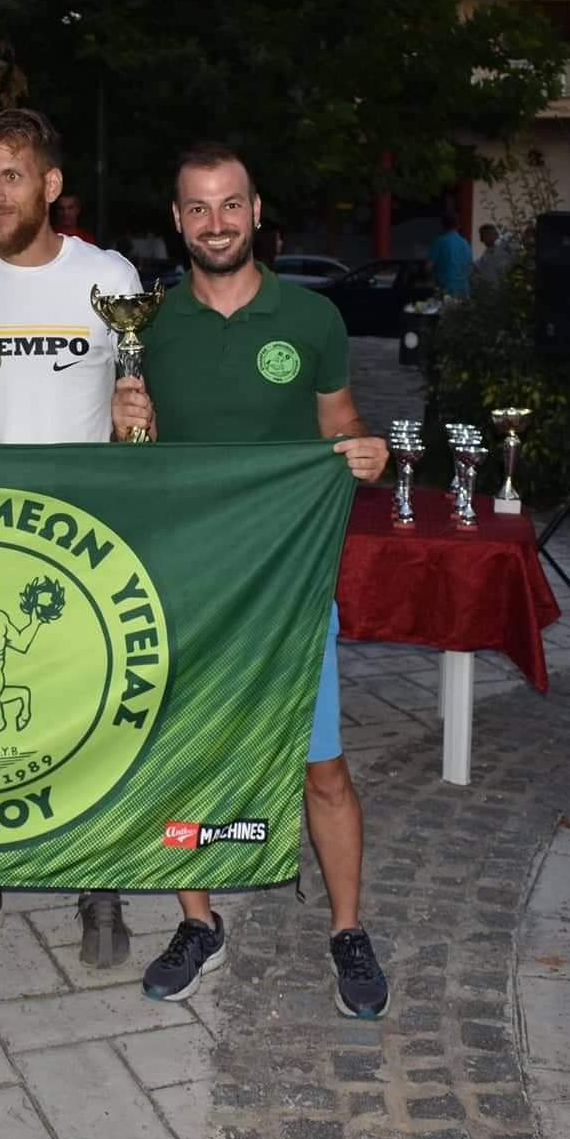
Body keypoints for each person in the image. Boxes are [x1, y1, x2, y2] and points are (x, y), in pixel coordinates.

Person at [111, 142, 393, 1019]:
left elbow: (341, 425)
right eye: (198, 207)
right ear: (177, 220)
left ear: (257, 211)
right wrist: (125, 423)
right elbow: (133, 462)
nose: (216, 222)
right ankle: (198, 921)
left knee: (323, 767)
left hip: (288, 585)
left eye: (230, 204)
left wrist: (367, 452)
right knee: (183, 755)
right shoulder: (149, 324)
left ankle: (348, 929)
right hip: (185, 584)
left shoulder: (311, 318)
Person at [0, 107, 142, 966]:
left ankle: (99, 879)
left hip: (82, 542)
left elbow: (136, 397)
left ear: (50, 184)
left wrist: (135, 418)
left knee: (89, 711)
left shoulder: (108, 274)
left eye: (11, 176)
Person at [427, 211, 472, 298]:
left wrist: (431, 279)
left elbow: (428, 266)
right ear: (458, 226)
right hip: (464, 289)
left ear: (442, 226)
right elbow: (470, 266)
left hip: (446, 289)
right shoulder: (466, 243)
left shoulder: (439, 241)